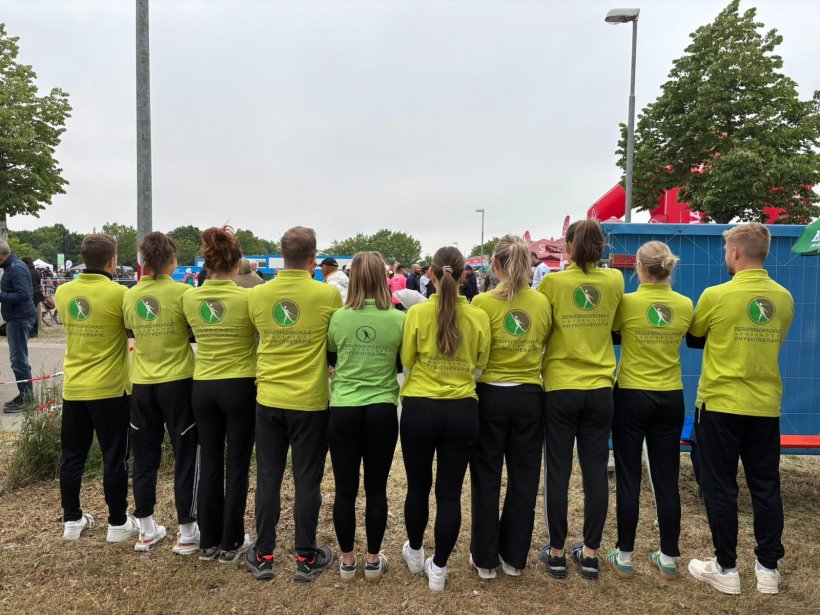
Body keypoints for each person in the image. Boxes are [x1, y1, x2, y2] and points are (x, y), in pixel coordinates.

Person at [686, 223, 794, 596]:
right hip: (764, 405)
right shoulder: (784, 298)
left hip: (719, 403)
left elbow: (695, 337)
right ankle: (768, 570)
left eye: (726, 250)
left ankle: (726, 568)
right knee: (766, 486)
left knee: (720, 487)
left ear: (734, 252)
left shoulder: (716, 295)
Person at [244, 226, 343, 582]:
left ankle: (264, 554)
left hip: (269, 397)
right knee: (307, 479)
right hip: (310, 401)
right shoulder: (328, 294)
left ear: (281, 256)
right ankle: (305, 556)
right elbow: (334, 343)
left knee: (268, 477)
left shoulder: (258, 294)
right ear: (314, 257)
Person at [399, 246, 491, 592]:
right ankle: (438, 568)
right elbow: (480, 367)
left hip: (420, 409)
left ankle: (415, 551)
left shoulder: (417, 313)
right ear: (465, 275)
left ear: (431, 274)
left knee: (417, 487)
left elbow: (407, 362)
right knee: (449, 494)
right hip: (461, 410)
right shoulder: (478, 316)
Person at [537, 219, 623, 581]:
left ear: (569, 248)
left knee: (557, 471)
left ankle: (557, 553)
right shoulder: (615, 280)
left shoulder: (553, 283)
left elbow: (542, 330)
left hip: (560, 387)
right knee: (595, 473)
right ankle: (590, 554)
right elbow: (615, 327)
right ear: (601, 246)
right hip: (600, 388)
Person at [606, 241, 693, 581]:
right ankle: (668, 557)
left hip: (631, 394)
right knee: (667, 477)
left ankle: (624, 555)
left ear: (638, 268)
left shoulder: (626, 303)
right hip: (670, 396)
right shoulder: (684, 304)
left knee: (628, 476)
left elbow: (613, 333)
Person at [469, 235, 550, 579]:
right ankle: (514, 557)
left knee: (486, 477)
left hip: (490, 395)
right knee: (524, 478)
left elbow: (475, 348)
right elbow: (545, 342)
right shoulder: (542, 302)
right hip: (529, 395)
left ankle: (485, 557)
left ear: (496, 265)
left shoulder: (482, 302)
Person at [55, 233, 139, 543]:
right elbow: (131, 330)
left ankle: (72, 519)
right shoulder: (119, 294)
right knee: (114, 457)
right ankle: (117, 522)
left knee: (72, 457)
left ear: (83, 258)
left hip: (74, 386)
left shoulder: (63, 291)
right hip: (110, 388)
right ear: (112, 261)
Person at [327, 251, 405, 582]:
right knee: (376, 488)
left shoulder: (339, 317)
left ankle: (347, 561)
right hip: (381, 409)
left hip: (344, 408)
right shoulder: (398, 319)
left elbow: (332, 357)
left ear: (354, 278)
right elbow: (401, 363)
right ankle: (373, 560)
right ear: (383, 278)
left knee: (344, 490)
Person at [183, 227, 257, 564]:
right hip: (239, 384)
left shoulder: (189, 298)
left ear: (206, 264)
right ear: (238, 264)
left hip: (203, 385)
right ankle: (232, 541)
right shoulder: (248, 299)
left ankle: (208, 541)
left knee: (210, 462)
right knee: (237, 463)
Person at [123, 232, 199, 554]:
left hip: (142, 383)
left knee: (144, 457)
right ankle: (187, 531)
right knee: (186, 455)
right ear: (172, 259)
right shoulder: (184, 292)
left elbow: (130, 330)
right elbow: (194, 331)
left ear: (143, 261)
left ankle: (146, 529)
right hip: (178, 382)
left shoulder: (130, 295)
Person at [0, 241, 37, 413]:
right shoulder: (13, 266)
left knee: (18, 360)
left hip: (19, 318)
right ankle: (25, 395)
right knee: (19, 359)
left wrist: (1, 295)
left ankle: (27, 399)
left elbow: (24, 295)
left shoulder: (15, 268)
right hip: (18, 317)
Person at [21, 257, 43, 339]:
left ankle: (31, 331)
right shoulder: (37, 272)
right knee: (34, 312)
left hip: (30, 292)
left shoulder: (25, 272)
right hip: (38, 293)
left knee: (28, 313)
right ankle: (35, 332)